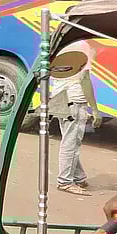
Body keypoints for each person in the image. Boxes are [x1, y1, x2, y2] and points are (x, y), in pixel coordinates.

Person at [50, 41, 102, 196]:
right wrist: (94, 108)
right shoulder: (83, 47)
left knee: (70, 140)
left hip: (60, 98)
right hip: (75, 101)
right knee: (71, 143)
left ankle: (78, 177)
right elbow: (84, 79)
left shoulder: (60, 44)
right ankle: (65, 181)